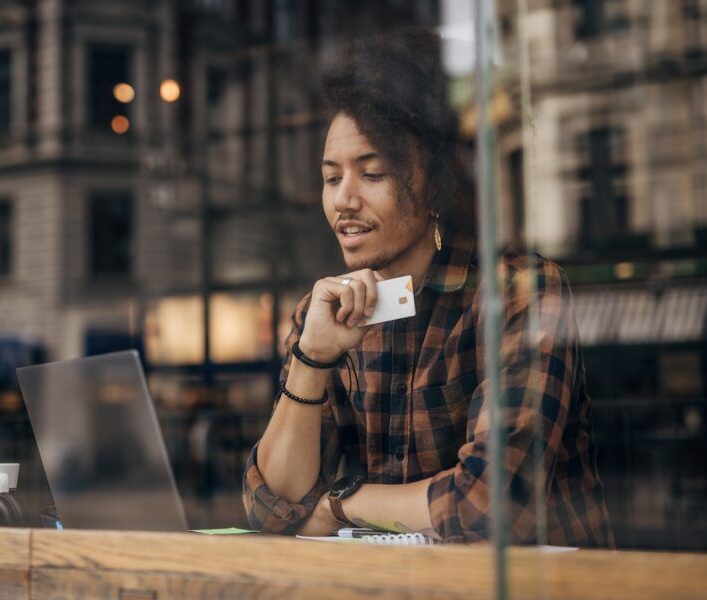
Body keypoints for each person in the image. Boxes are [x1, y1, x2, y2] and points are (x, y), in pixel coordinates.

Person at [242, 30, 613, 546]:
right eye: (331, 179)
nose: (343, 201)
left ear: (433, 181)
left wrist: (341, 502)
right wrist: (311, 359)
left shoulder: (515, 292)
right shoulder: (326, 312)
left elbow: (490, 502)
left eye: (371, 174)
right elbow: (272, 507)